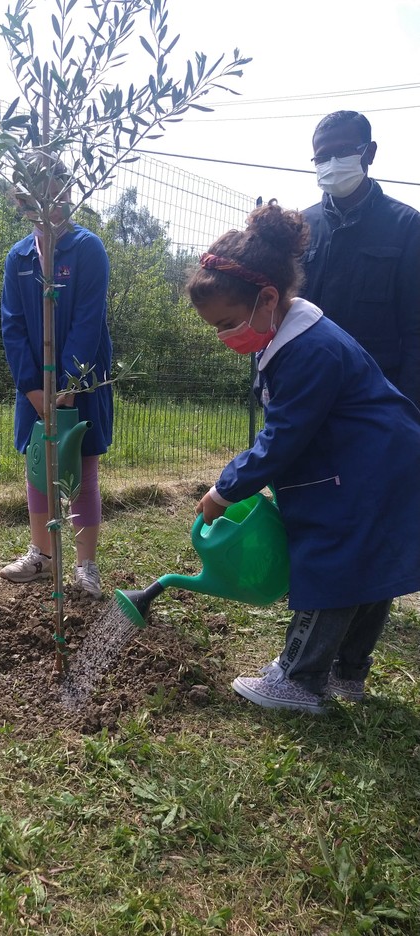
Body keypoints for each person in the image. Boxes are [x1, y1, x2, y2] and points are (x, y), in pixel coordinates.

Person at [187, 200, 420, 714]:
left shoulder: (309, 350)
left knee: (331, 564)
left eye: (227, 323)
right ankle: (346, 674)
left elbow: (284, 435)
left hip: (369, 468)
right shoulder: (295, 335)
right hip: (382, 461)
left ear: (267, 297)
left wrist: (225, 488)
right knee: (369, 567)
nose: (225, 337)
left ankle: (297, 679)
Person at [0, 159, 113, 599]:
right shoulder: (19, 257)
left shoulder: (87, 249)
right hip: (33, 391)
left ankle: (86, 567)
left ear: (68, 193)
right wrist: (33, 390)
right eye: (35, 195)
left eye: (56, 192)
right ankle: (41, 557)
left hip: (80, 384)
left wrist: (64, 387)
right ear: (22, 201)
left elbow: (88, 321)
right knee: (37, 468)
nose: (47, 203)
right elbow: (11, 326)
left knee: (81, 470)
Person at [301, 110, 420, 407]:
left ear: (370, 152)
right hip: (304, 387)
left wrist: (408, 406)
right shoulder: (301, 227)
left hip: (376, 395)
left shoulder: (407, 226)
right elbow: (274, 312)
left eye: (342, 151)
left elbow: (415, 327)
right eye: (322, 157)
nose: (331, 163)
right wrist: (265, 382)